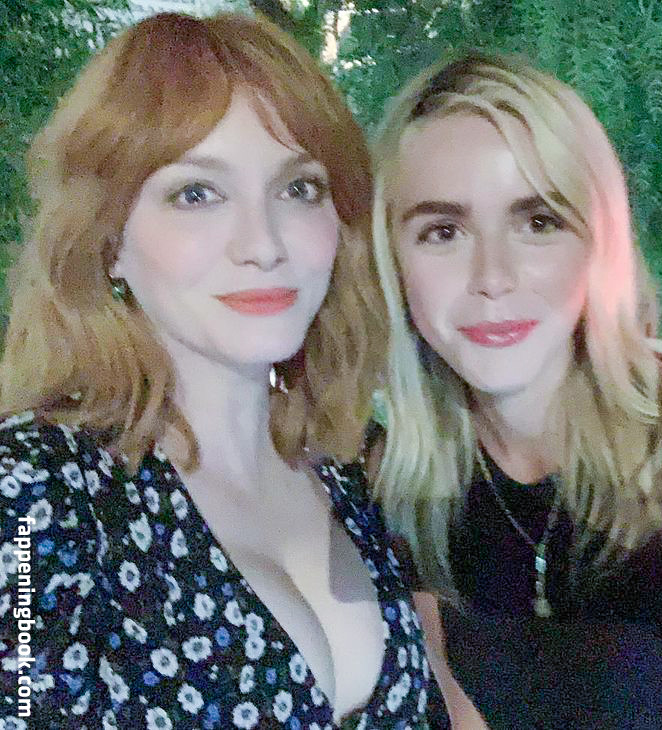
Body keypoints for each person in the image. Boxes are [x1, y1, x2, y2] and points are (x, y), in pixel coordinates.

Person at [369, 53, 662, 729]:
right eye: (443, 232)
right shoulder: (396, 486)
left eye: (537, 222)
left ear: (598, 239)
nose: (493, 277)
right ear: (393, 260)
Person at [0, 13, 437, 728]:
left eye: (299, 188)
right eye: (196, 194)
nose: (263, 244)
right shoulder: (34, 491)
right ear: (108, 239)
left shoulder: (347, 476)